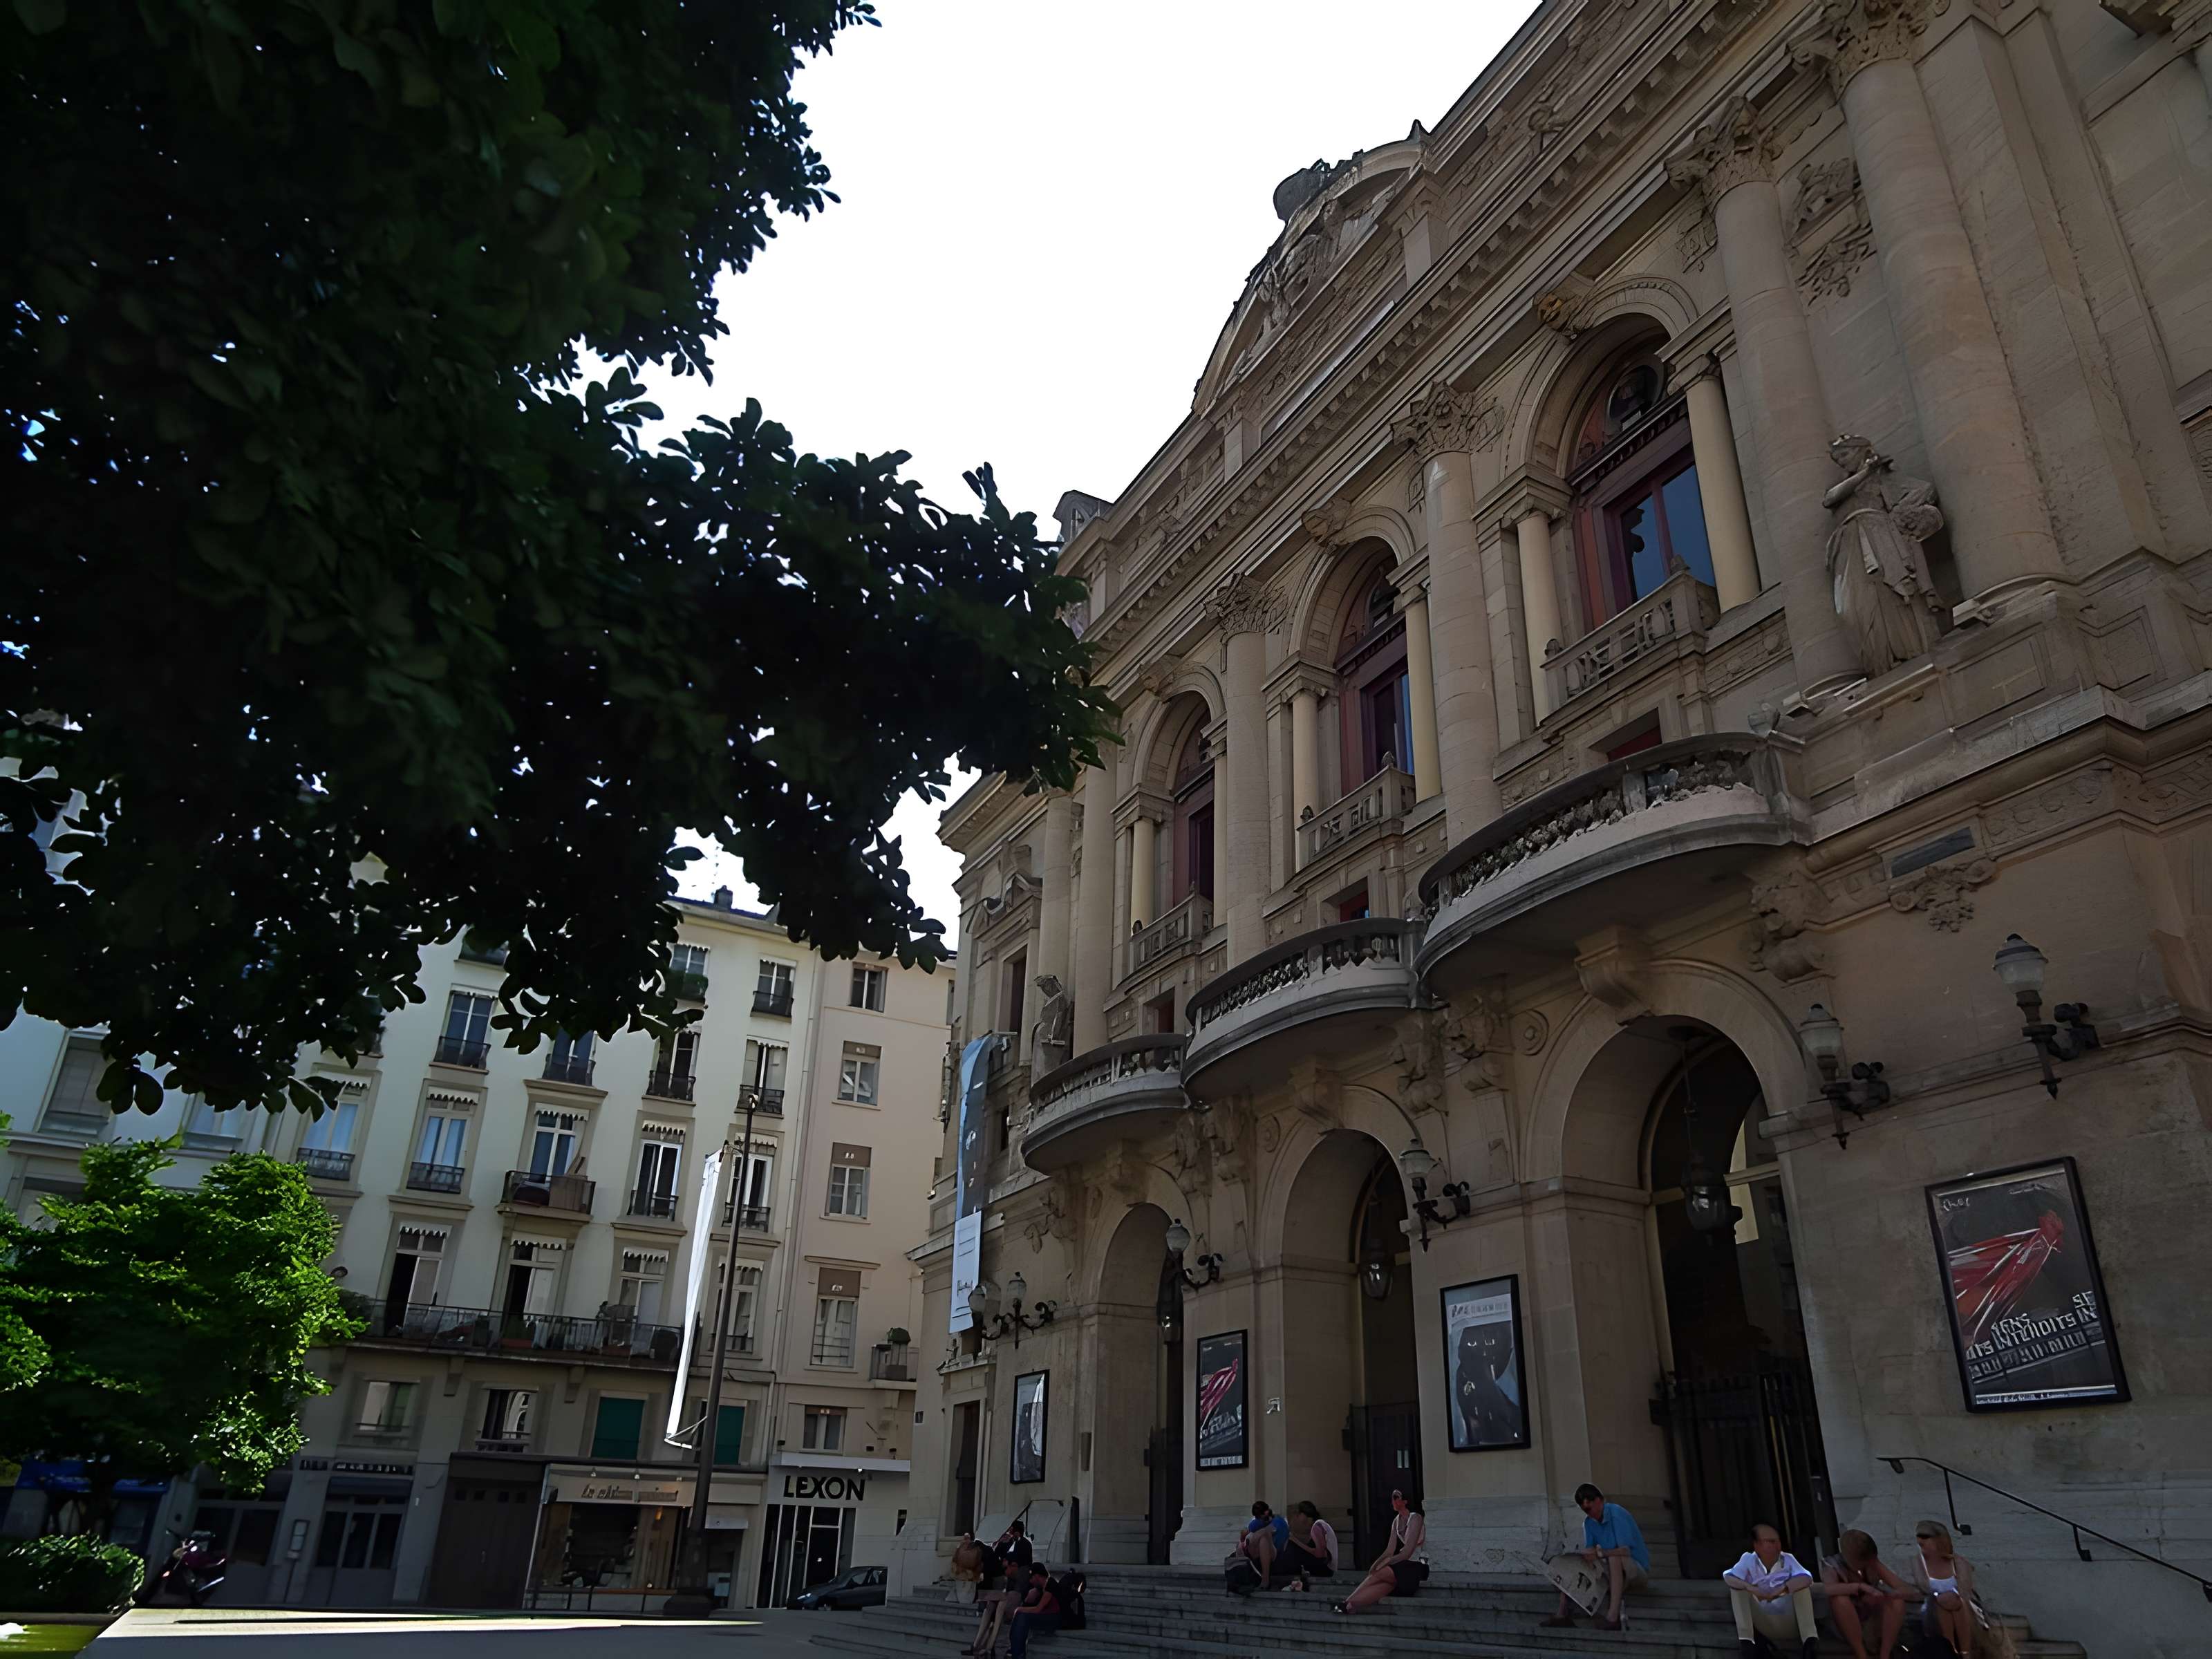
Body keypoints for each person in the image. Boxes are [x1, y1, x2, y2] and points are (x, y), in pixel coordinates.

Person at [1542, 1483, 1649, 1631]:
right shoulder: (1589, 1523)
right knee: (1574, 1563)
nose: (1589, 1513)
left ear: (1600, 1500)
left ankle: (1613, 1618)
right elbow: (1591, 1550)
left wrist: (1601, 1554)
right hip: (1614, 1571)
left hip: (1635, 1570)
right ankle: (1562, 1613)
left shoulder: (1616, 1514)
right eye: (1585, 1510)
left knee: (1614, 1557)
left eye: (1590, 1508)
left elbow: (1625, 1551)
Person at [1722, 1523, 1817, 1659]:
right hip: (1763, 1618)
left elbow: (1807, 1578)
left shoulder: (1787, 1559)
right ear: (1757, 1545)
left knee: (1801, 1588)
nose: (1777, 1546)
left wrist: (1780, 1590)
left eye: (1778, 1541)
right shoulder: (1748, 1559)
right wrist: (1752, 1588)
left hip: (1789, 1617)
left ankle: (1810, 1644)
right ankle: (1747, 1644)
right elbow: (1728, 1577)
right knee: (1738, 1589)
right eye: (1771, 1542)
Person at [1821, 1529, 1911, 1659]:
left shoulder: (1872, 1562)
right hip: (1846, 1620)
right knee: (1839, 1600)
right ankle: (1861, 1655)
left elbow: (1904, 1588)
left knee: (1897, 1602)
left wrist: (1890, 1595)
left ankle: (1884, 1655)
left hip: (1871, 1617)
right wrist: (1860, 1587)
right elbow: (1828, 1589)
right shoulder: (1833, 1564)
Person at [1333, 1490, 1425, 1613]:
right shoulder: (1396, 1521)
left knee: (1381, 1573)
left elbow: (1407, 1553)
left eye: (1396, 1497)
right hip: (1402, 1568)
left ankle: (1345, 1602)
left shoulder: (1416, 1518)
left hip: (1417, 1566)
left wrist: (1385, 1564)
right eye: (1393, 1497)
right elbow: (1389, 1550)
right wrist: (1376, 1564)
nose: (1393, 1500)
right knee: (1385, 1584)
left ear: (1405, 1501)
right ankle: (1350, 1606)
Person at [1899, 1519, 1977, 1658]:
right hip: (1929, 1609)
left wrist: (1952, 1596)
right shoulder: (1915, 1564)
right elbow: (1909, 1590)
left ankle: (1965, 1652)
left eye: (1925, 1536)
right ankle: (1951, 1651)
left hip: (1959, 1606)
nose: (1920, 1540)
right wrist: (1936, 1597)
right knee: (1941, 1606)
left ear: (1939, 1540)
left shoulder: (1958, 1563)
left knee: (1959, 1604)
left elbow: (1966, 1590)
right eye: (1919, 1536)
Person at [963, 1559, 1030, 1656]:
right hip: (1004, 1606)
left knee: (1000, 1610)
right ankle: (977, 1645)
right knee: (991, 1606)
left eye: (1008, 1567)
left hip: (1010, 1608)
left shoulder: (1023, 1574)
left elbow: (1015, 1595)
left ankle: (987, 1647)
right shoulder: (1012, 1579)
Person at [1005, 1564, 1067, 1659]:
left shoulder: (1050, 1584)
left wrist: (1019, 1609)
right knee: (1021, 1615)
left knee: (1022, 1615)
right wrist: (1026, 1601)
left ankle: (1017, 1654)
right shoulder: (1040, 1589)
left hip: (1055, 1618)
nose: (1031, 1581)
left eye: (1032, 1578)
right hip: (1046, 1616)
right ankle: (1014, 1650)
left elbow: (1038, 1609)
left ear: (1037, 1576)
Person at [1275, 1500, 1338, 1591]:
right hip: (1310, 1564)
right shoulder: (1304, 1529)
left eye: (1298, 1515)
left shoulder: (1318, 1527)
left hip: (1323, 1567)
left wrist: (1295, 1541)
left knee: (1292, 1545)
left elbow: (1318, 1554)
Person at [1235, 1501, 1286, 1584]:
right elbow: (1248, 1531)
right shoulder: (1258, 1522)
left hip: (1273, 1554)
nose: (1258, 1518)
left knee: (1263, 1535)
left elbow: (1280, 1542)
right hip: (1259, 1552)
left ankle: (1265, 1580)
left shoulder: (1278, 1522)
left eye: (1259, 1516)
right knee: (1261, 1536)